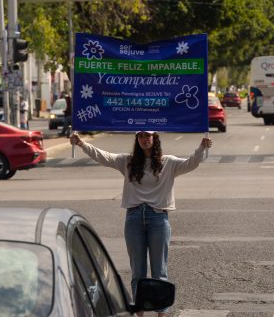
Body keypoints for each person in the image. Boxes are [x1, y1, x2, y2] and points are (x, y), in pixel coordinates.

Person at [70, 131, 212, 317]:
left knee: (159, 270)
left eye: (148, 136)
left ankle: (161, 313)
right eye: (141, 136)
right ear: (137, 140)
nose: (145, 139)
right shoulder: (127, 161)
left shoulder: (168, 162)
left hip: (158, 218)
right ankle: (140, 313)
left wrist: (202, 147)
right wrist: (81, 143)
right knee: (138, 271)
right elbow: (103, 156)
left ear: (155, 139)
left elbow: (191, 163)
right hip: (134, 218)